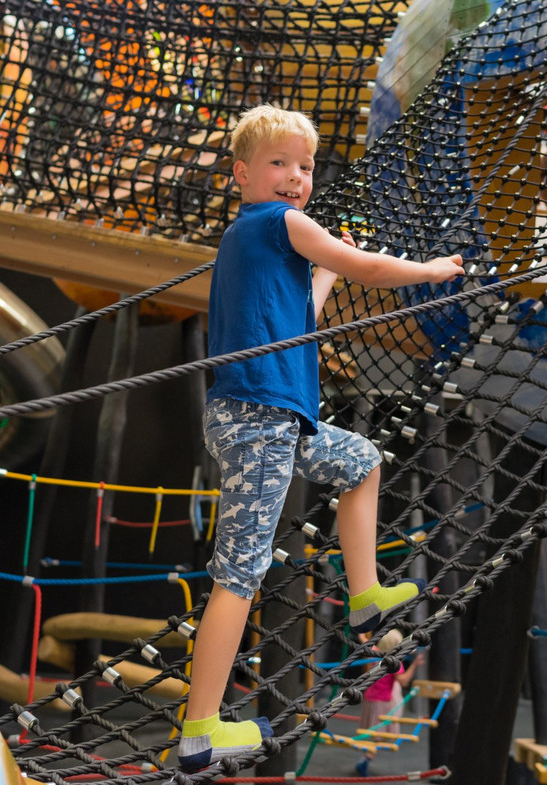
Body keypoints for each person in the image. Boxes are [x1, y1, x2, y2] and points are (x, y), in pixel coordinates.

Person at [177, 104, 465, 773]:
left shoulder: (251, 239)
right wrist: (428, 271)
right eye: (278, 163)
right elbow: (367, 268)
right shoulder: (279, 221)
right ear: (244, 174)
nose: (294, 177)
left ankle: (363, 599)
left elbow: (304, 315)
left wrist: (327, 268)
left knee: (362, 461)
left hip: (273, 421)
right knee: (239, 576)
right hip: (259, 420)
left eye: (304, 167)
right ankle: (199, 732)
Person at [355, 629, 423, 777]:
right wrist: (415, 665)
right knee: (378, 735)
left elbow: (364, 641)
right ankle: (365, 760)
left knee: (371, 731)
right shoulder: (394, 662)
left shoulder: (374, 653)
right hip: (382, 701)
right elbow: (403, 681)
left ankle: (365, 758)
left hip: (369, 699)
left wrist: (363, 632)